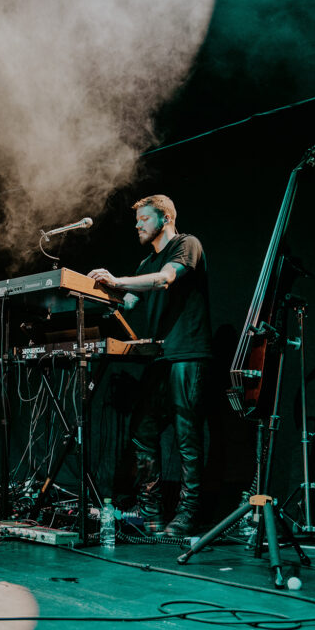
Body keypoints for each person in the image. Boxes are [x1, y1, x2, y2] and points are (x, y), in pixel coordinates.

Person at [89, 194, 211, 537]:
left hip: (188, 354)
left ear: (165, 218)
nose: (138, 224)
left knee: (187, 438)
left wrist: (118, 280)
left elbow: (165, 279)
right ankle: (151, 512)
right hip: (159, 358)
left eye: (144, 218)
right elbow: (127, 300)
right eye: (137, 219)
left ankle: (188, 514)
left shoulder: (187, 245)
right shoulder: (146, 264)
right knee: (143, 432)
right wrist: (92, 291)